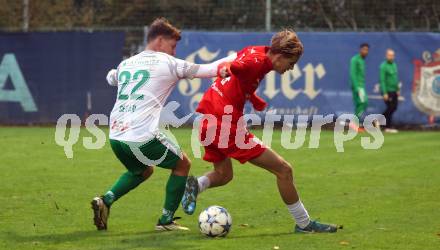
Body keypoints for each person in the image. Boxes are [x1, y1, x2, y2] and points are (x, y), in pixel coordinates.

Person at [181, 30, 339, 233]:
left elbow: (241, 76)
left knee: (223, 174)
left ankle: (196, 185)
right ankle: (304, 224)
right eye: (291, 64)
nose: (290, 69)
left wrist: (253, 99)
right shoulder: (257, 62)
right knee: (284, 170)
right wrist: (225, 67)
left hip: (208, 120)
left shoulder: (256, 52)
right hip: (224, 125)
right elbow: (235, 66)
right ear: (280, 56)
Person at [91, 17, 233, 231]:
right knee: (182, 164)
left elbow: (111, 77)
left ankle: (106, 200)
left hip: (116, 136)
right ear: (159, 41)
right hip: (141, 137)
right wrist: (229, 62)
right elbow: (208, 69)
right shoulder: (168, 63)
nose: (174, 52)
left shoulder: (126, 64)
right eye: (172, 46)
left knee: (143, 171)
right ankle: (166, 221)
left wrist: (113, 74)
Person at [349, 43, 369, 131]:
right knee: (363, 103)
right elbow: (353, 74)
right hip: (358, 86)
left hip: (361, 86)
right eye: (364, 49)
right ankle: (354, 123)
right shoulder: (355, 59)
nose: (365, 52)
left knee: (360, 104)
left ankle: (355, 124)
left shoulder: (362, 60)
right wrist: (356, 87)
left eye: (367, 50)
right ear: (360, 50)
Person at [380, 49, 399, 133]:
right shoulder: (383, 66)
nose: (391, 57)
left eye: (392, 55)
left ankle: (384, 124)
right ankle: (387, 126)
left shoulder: (394, 65)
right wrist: (384, 92)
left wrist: (397, 89)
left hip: (394, 90)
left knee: (393, 107)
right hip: (387, 91)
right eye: (389, 55)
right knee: (390, 107)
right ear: (386, 56)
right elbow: (382, 80)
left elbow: (395, 78)